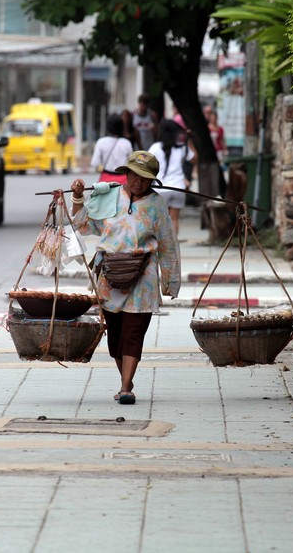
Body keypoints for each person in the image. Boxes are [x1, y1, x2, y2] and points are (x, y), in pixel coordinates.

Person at [69, 151, 181, 405]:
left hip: (144, 275)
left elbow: (167, 244)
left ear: (152, 180)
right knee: (116, 335)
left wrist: (170, 281)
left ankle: (124, 387)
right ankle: (126, 383)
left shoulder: (156, 205)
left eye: (145, 177)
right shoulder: (109, 196)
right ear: (126, 173)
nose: (138, 181)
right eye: (134, 175)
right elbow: (85, 225)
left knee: (134, 332)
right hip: (110, 274)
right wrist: (78, 197)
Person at [148, 119, 197, 237]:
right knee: (174, 219)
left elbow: (146, 163)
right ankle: (173, 245)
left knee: (160, 219)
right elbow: (195, 159)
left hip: (160, 189)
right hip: (178, 188)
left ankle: (161, 244)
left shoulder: (155, 147)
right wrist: (189, 141)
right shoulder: (182, 147)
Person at [90, 113, 133, 185]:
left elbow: (94, 163)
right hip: (123, 180)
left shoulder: (101, 142)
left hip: (105, 181)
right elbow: (131, 164)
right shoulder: (126, 143)